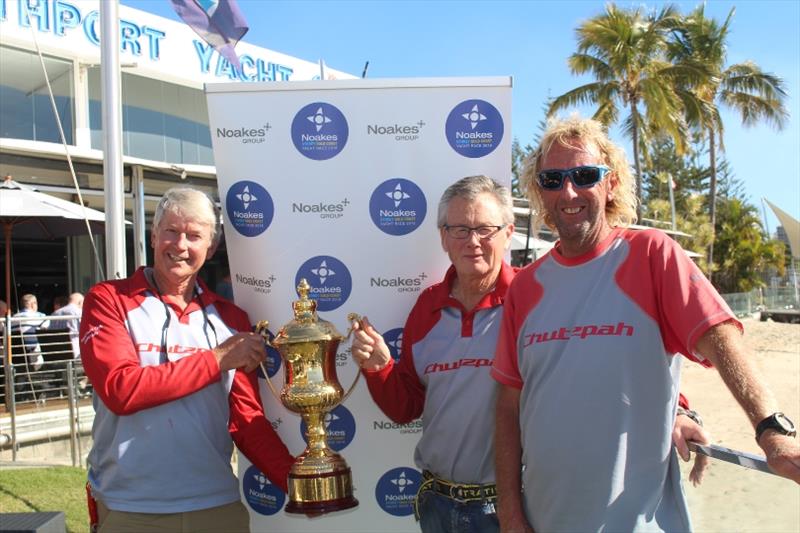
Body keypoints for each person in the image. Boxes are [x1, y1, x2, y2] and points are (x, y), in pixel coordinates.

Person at [492, 116, 800, 533]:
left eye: (584, 175)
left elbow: (721, 337)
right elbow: (508, 408)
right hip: (543, 521)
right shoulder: (525, 287)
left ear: (612, 183)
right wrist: (511, 513)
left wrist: (770, 430)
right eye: (552, 179)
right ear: (539, 191)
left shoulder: (652, 254)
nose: (568, 191)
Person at [351, 176, 709, 533]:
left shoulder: (537, 295)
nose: (473, 241)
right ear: (443, 237)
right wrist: (380, 368)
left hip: (514, 508)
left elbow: (611, 360)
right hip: (437, 505)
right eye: (459, 229)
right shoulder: (426, 307)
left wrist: (677, 410)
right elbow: (406, 407)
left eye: (485, 229)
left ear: (508, 233)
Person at [80, 187, 294, 532]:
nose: (180, 245)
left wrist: (297, 483)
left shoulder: (231, 319)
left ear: (210, 249)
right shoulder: (108, 300)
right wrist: (217, 359)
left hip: (216, 504)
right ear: (153, 236)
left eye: (194, 236)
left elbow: (245, 420)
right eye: (171, 231)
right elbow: (121, 390)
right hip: (130, 507)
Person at [13, 294, 47, 370]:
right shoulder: (40, 316)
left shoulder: (13, 318)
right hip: (34, 353)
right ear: (33, 304)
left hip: (16, 354)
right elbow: (47, 329)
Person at [51, 292, 83, 358]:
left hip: (55, 351)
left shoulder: (55, 313)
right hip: (75, 352)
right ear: (80, 302)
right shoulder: (80, 313)